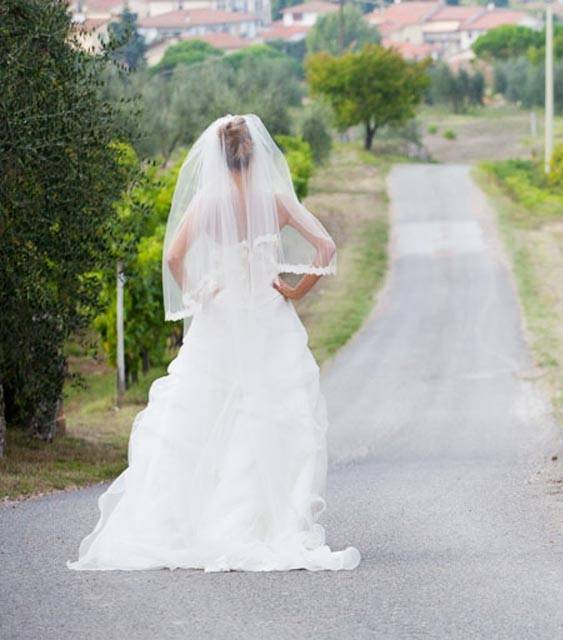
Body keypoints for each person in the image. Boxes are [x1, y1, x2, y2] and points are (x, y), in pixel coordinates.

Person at [68, 114, 360, 572]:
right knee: (276, 414)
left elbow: (172, 256)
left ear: (219, 161)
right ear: (256, 154)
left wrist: (200, 292)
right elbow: (325, 247)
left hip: (221, 319)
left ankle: (196, 520)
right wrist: (296, 290)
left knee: (201, 414)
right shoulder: (277, 201)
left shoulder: (207, 204)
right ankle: (266, 520)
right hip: (268, 316)